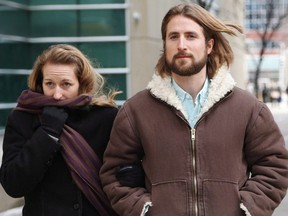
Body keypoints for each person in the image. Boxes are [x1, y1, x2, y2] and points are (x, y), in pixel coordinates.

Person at [100, 3, 288, 216]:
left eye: (190, 36)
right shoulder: (135, 111)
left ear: (209, 45)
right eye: (173, 37)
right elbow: (115, 174)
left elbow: (274, 168)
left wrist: (246, 210)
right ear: (165, 44)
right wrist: (145, 211)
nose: (181, 45)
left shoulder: (248, 109)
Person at [0, 44, 119, 216]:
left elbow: (121, 177)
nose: (56, 95)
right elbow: (13, 184)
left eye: (66, 84)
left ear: (81, 84)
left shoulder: (106, 118)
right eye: (50, 84)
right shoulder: (23, 118)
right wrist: (47, 133)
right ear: (40, 83)